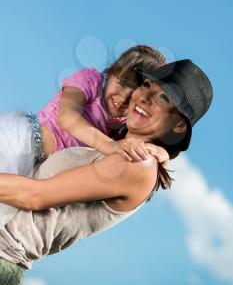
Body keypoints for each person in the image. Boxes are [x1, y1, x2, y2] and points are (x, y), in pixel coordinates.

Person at [0, 59, 213, 284]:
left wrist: (159, 152)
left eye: (164, 97)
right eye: (148, 85)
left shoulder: (138, 164)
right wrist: (162, 151)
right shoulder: (113, 147)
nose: (144, 97)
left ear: (178, 126)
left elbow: (35, 196)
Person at [0, 45, 169, 228]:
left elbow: (135, 148)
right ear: (111, 73)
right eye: (121, 83)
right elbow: (68, 116)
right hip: (22, 141)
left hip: (36, 168)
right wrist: (108, 145)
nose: (123, 98)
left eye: (134, 94)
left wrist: (162, 153)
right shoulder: (91, 80)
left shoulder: (121, 124)